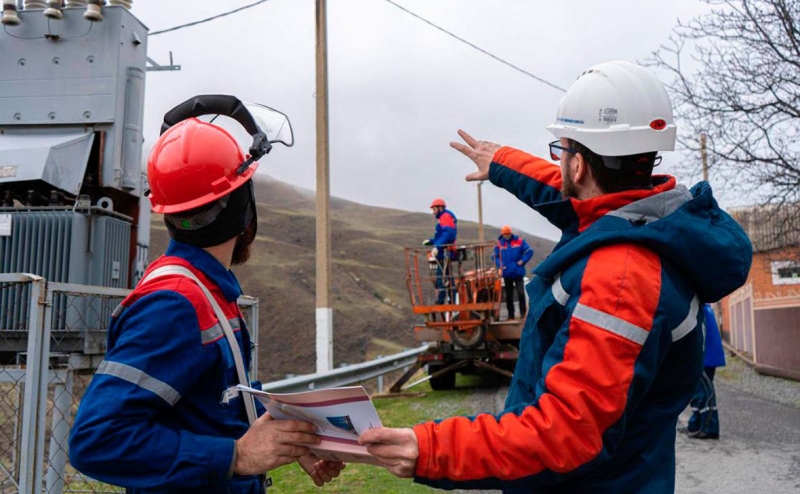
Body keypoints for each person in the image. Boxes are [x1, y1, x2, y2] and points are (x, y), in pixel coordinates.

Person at [359, 61, 752, 493]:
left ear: (579, 166)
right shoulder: (643, 217)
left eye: (561, 150)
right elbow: (560, 189)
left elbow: (565, 433)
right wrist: (501, 163)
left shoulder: (620, 278)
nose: (558, 163)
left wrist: (430, 448)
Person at [69, 96, 344, 493]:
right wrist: (238, 457)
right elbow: (96, 441)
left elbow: (214, 399)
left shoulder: (205, 288)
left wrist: (285, 435)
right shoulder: (176, 304)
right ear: (242, 207)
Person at [686, 304, 725, 439]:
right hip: (708, 356)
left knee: (702, 393)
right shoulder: (704, 307)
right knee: (699, 392)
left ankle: (709, 427)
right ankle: (696, 424)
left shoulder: (697, 308)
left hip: (703, 357)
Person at [493, 225, 533, 320]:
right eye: (505, 234)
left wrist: (523, 261)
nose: (506, 236)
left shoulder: (519, 241)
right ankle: (511, 315)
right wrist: (501, 265)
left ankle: (523, 314)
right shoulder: (499, 244)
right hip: (507, 274)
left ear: (511, 233)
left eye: (508, 234)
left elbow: (529, 251)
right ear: (502, 234)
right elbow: (494, 256)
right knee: (509, 295)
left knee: (520, 293)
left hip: (518, 272)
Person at [422, 198, 458, 304]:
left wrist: (437, 246)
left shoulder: (445, 217)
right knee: (447, 276)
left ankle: (441, 300)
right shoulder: (444, 218)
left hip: (445, 252)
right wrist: (432, 241)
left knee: (440, 276)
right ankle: (452, 299)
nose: (433, 212)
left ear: (440, 208)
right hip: (445, 251)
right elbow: (444, 235)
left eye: (434, 209)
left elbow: (448, 234)